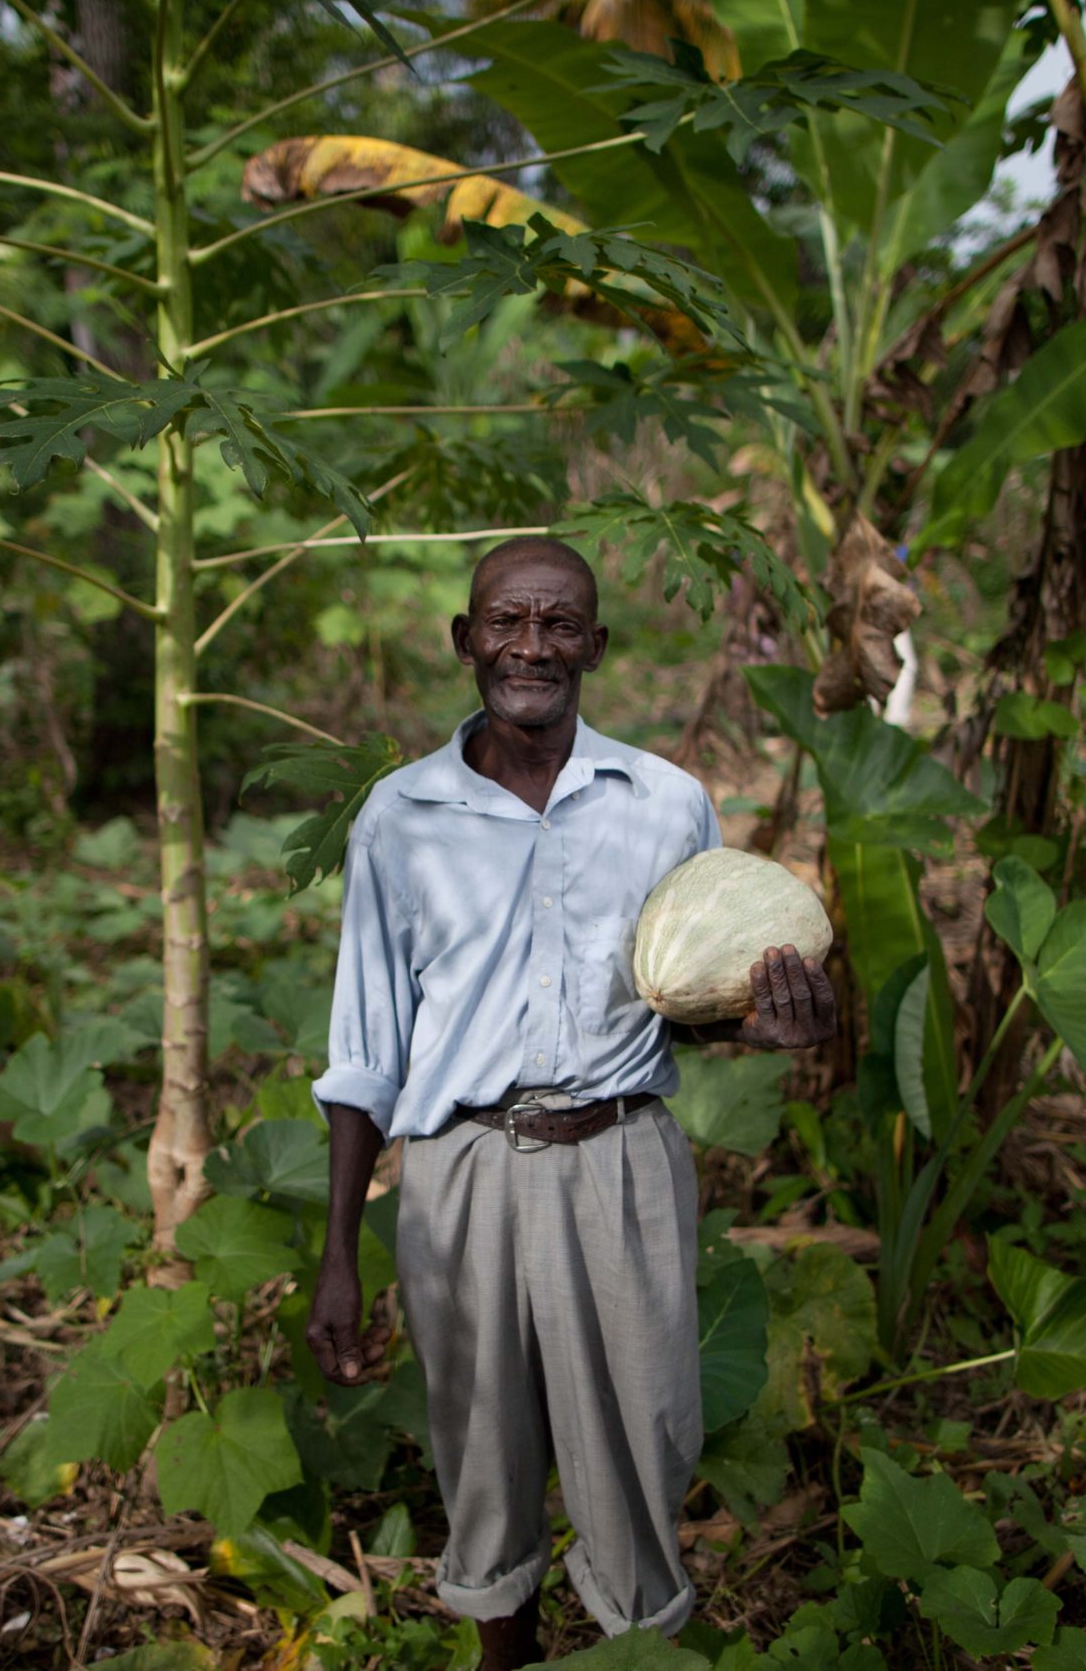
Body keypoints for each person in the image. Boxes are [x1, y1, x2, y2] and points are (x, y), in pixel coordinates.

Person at [305, 535, 838, 1668]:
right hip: (462, 1171)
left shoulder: (664, 803)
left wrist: (768, 1023)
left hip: (619, 1158)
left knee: (642, 1436)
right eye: (505, 621)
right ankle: (506, 1651)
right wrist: (341, 1251)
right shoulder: (398, 820)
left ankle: (632, 1644)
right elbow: (363, 1053)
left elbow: (689, 993)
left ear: (596, 643)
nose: (530, 646)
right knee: (483, 1450)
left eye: (557, 624)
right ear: (465, 640)